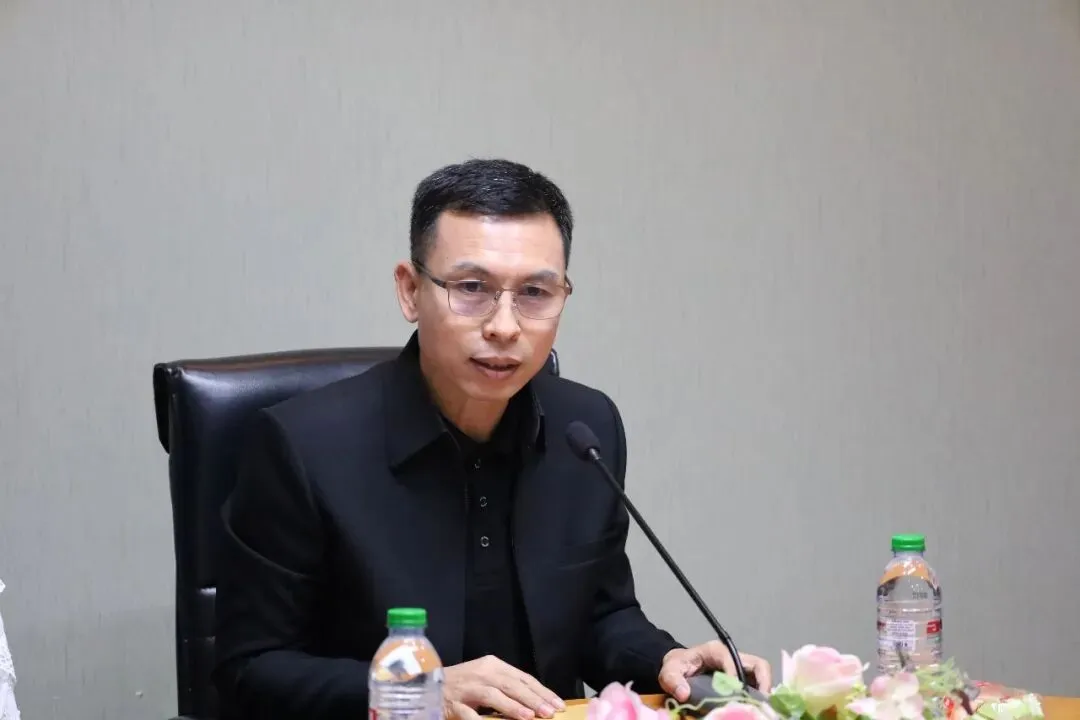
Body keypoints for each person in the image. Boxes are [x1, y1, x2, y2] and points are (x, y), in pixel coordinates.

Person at [213, 158, 772, 720]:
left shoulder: (586, 430)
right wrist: (420, 691)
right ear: (410, 291)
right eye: (472, 288)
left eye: (535, 292)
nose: (505, 326)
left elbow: (600, 618)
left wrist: (666, 660)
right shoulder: (304, 447)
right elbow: (250, 670)